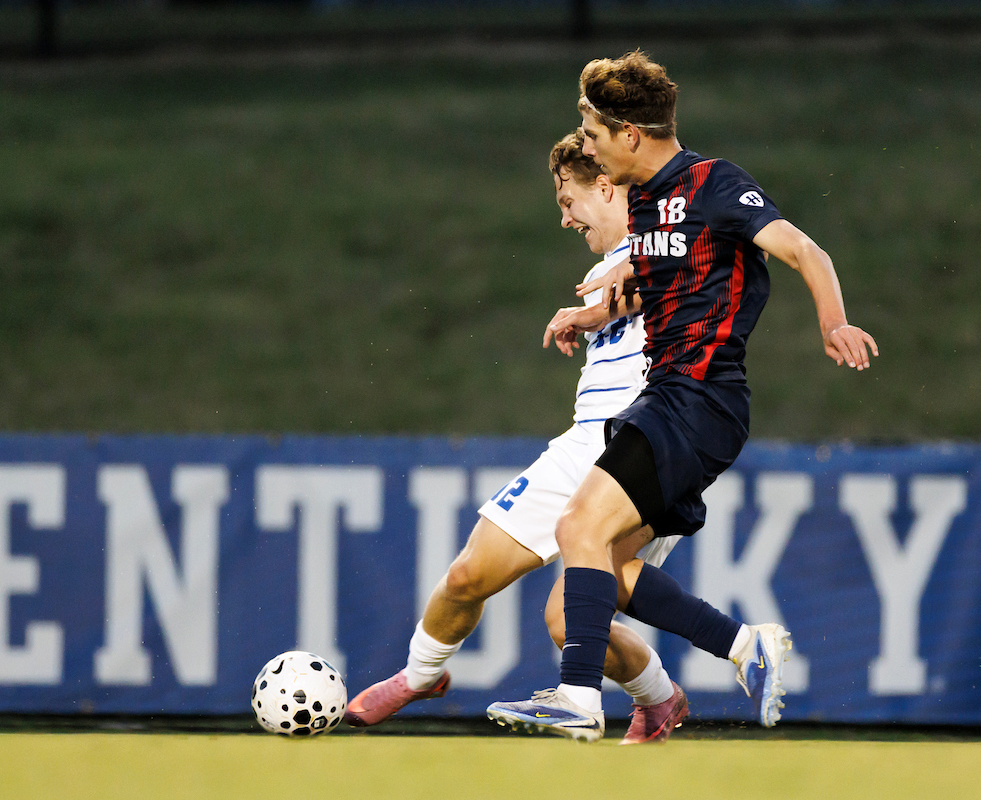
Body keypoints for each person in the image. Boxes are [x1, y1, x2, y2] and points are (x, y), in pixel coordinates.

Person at [486, 51, 878, 743]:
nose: (587, 147)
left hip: (698, 396)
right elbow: (666, 273)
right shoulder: (645, 199)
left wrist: (833, 322)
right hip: (675, 399)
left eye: (593, 133)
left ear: (630, 134)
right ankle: (744, 647)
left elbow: (804, 250)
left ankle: (578, 700)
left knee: (577, 526)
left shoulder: (714, 183)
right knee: (603, 566)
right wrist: (595, 312)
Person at [347, 132, 779, 744]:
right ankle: (423, 675)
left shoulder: (670, 236)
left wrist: (597, 308)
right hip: (588, 442)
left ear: (605, 185)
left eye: (567, 199)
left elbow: (685, 270)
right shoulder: (609, 266)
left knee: (573, 610)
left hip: (649, 436)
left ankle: (678, 675)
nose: (565, 217)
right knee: (476, 580)